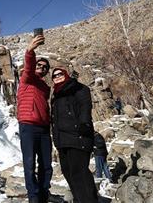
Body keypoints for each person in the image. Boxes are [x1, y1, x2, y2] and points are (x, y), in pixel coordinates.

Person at [51, 68, 98, 203]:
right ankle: (80, 199)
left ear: (66, 75)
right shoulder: (56, 94)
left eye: (60, 74)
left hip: (78, 136)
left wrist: (84, 124)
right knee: (69, 173)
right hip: (63, 140)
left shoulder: (77, 88)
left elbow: (85, 105)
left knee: (79, 173)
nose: (57, 77)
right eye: (54, 76)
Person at [17, 34, 53, 203]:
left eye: (45, 67)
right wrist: (30, 51)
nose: (42, 68)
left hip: (44, 129)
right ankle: (33, 197)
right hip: (28, 126)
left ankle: (44, 194)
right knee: (30, 163)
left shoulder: (45, 87)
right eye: (40, 64)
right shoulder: (27, 78)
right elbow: (29, 67)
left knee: (46, 165)